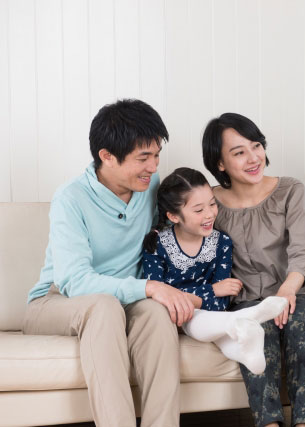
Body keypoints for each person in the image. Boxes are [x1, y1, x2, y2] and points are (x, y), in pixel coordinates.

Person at [23, 99, 191, 426]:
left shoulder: (151, 188)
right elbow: (75, 281)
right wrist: (149, 286)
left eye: (156, 155)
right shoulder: (70, 199)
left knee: (157, 314)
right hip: (56, 300)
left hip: (124, 302)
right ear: (107, 156)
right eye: (143, 158)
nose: (154, 167)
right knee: (103, 306)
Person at [202, 112, 305, 427]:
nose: (253, 158)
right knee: (256, 328)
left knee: (298, 321)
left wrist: (287, 290)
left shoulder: (290, 191)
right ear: (220, 164)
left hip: (300, 294)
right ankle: (269, 424)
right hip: (246, 301)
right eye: (239, 152)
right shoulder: (209, 203)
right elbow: (185, 246)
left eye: (256, 146)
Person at [141, 167, 287, 374]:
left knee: (213, 327)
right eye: (199, 210)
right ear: (173, 216)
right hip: (171, 319)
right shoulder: (157, 244)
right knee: (196, 319)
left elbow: (221, 304)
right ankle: (249, 316)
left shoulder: (222, 243)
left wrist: (193, 296)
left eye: (212, 204)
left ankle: (248, 350)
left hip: (209, 315)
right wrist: (212, 290)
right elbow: (160, 300)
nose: (210, 214)